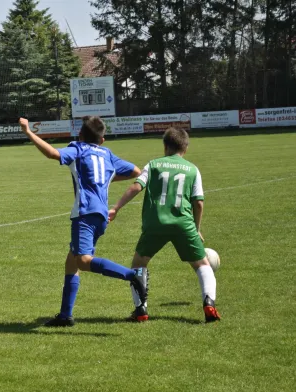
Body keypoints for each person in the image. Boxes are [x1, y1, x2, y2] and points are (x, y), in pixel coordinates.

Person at [18, 116, 149, 327]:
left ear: (80, 135)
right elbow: (137, 171)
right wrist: (103, 179)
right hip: (101, 215)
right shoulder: (107, 154)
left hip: (85, 214)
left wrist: (28, 132)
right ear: (102, 140)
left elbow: (53, 153)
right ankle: (65, 316)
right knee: (71, 261)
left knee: (83, 261)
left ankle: (132, 275)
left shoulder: (78, 149)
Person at [108, 127, 221, 323]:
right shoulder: (193, 169)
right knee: (202, 264)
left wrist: (116, 208)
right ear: (185, 148)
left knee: (139, 264)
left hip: (155, 223)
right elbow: (199, 202)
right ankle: (209, 303)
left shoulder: (153, 165)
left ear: (165, 146)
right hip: (183, 223)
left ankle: (141, 309)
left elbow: (137, 186)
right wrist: (197, 228)